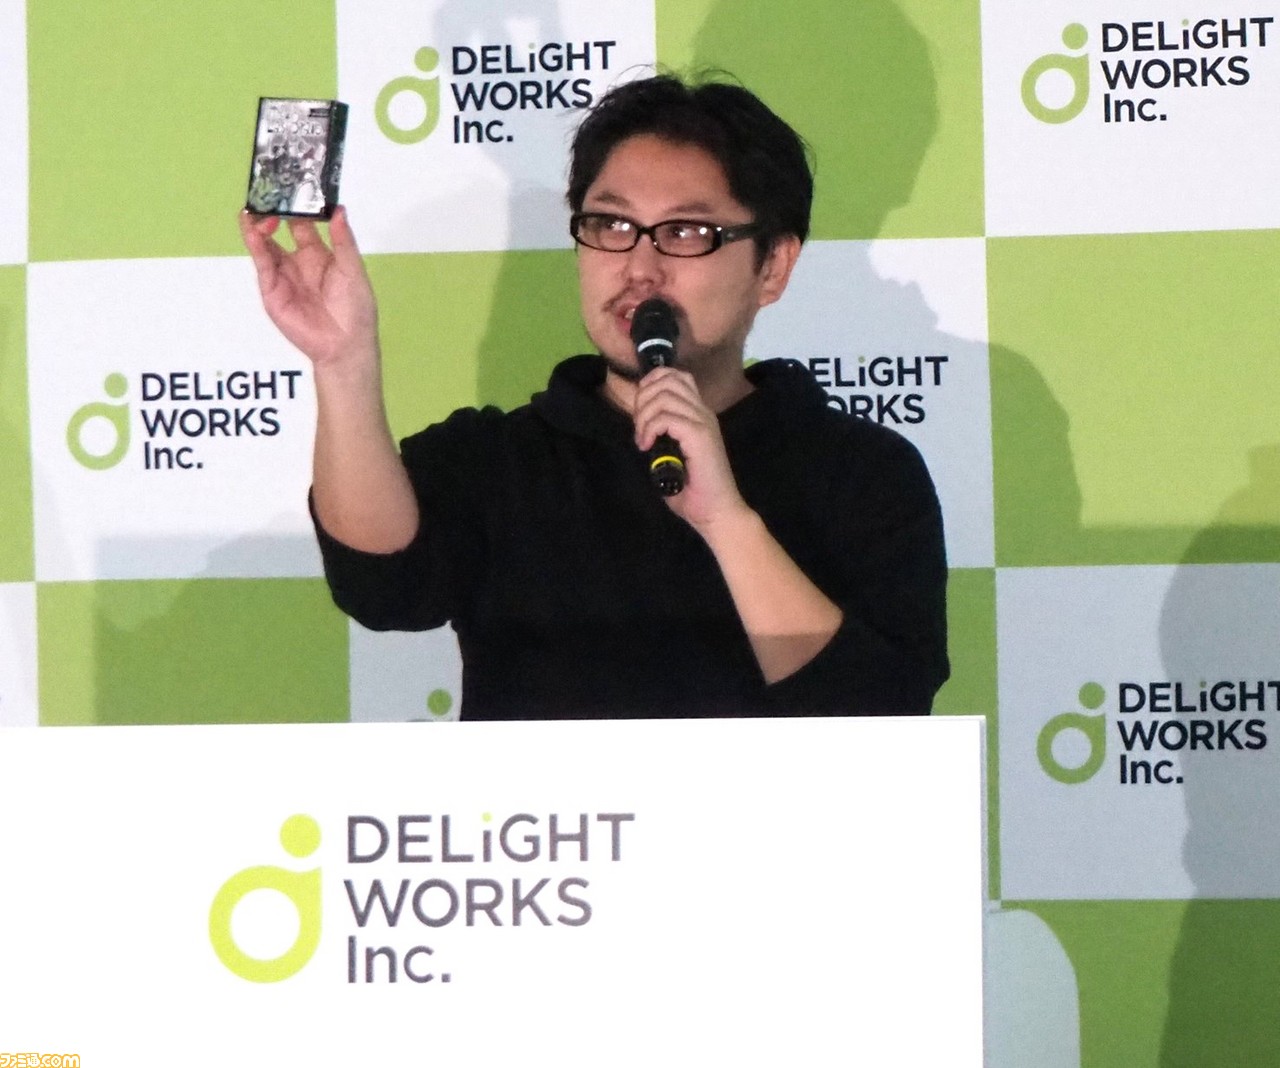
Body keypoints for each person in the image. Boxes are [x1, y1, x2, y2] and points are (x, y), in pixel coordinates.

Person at [240, 73, 949, 720]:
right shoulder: (501, 459)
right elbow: (382, 587)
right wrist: (343, 362)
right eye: (612, 225)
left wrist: (726, 521)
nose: (640, 267)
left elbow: (880, 720)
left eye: (686, 232)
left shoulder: (863, 472)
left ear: (774, 266)